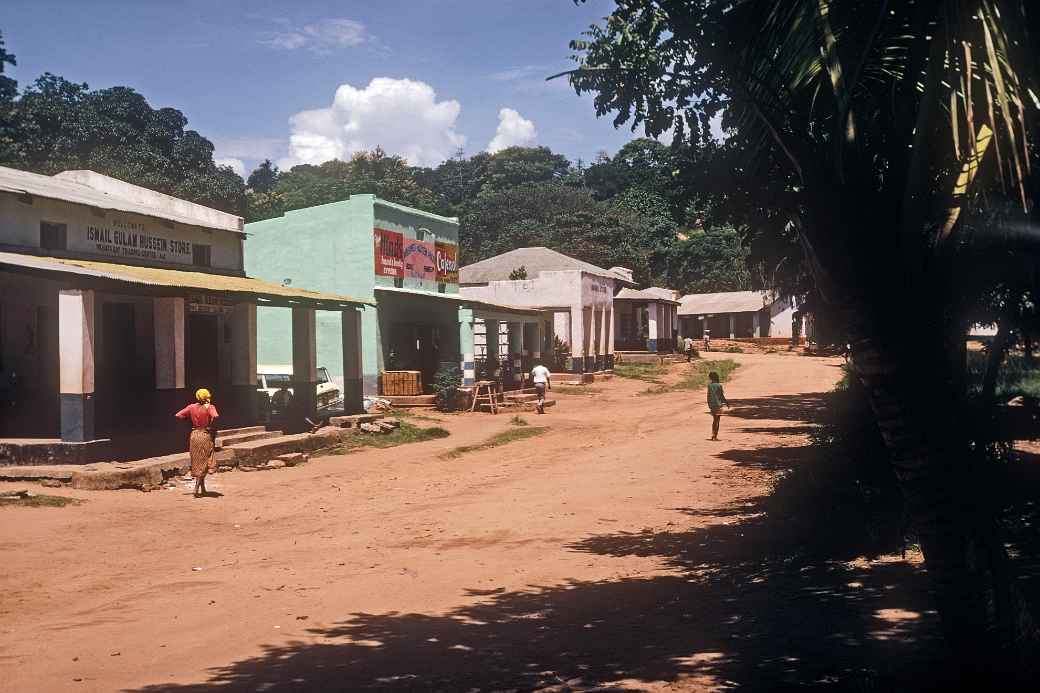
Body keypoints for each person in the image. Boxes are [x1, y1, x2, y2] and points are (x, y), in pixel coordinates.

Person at [176, 388, 220, 498]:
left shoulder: (191, 407)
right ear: (207, 397)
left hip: (194, 435)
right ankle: (196, 489)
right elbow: (216, 416)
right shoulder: (210, 407)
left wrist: (189, 422)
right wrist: (210, 424)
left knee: (197, 461)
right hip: (204, 435)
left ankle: (203, 489)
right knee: (204, 462)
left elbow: (178, 415)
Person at [706, 371, 728, 441]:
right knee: (717, 421)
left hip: (712, 405)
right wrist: (726, 402)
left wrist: (709, 404)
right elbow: (721, 396)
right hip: (718, 405)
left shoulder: (709, 386)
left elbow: (708, 396)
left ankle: (713, 434)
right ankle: (715, 436)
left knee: (714, 420)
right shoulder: (719, 385)